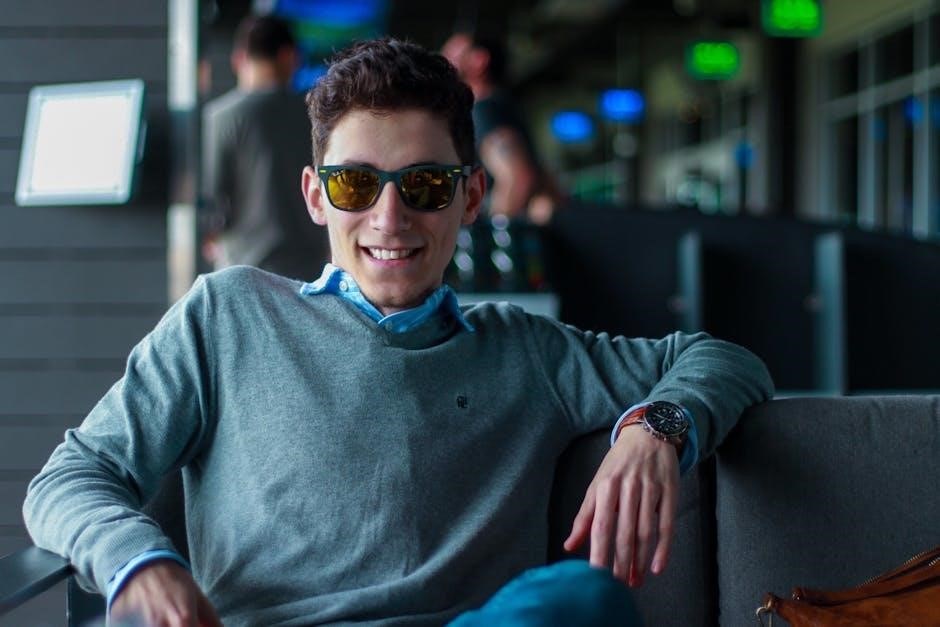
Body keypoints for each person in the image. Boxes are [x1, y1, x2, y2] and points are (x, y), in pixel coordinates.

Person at [24, 38, 773, 626]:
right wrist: (140, 561)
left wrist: (657, 427)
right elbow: (68, 478)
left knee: (580, 599)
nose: (389, 218)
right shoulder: (227, 316)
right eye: (355, 184)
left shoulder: (526, 350)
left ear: (470, 198)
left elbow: (723, 359)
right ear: (316, 196)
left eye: (424, 186)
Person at [201, 13, 329, 280]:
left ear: (238, 58)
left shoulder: (221, 117)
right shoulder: (317, 116)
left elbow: (213, 200)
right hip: (308, 271)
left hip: (241, 271)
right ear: (289, 56)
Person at [442, 32, 563, 224]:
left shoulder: (484, 110)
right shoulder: (502, 106)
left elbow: (518, 178)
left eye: (453, 53)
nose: (445, 58)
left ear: (479, 60)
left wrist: (496, 232)